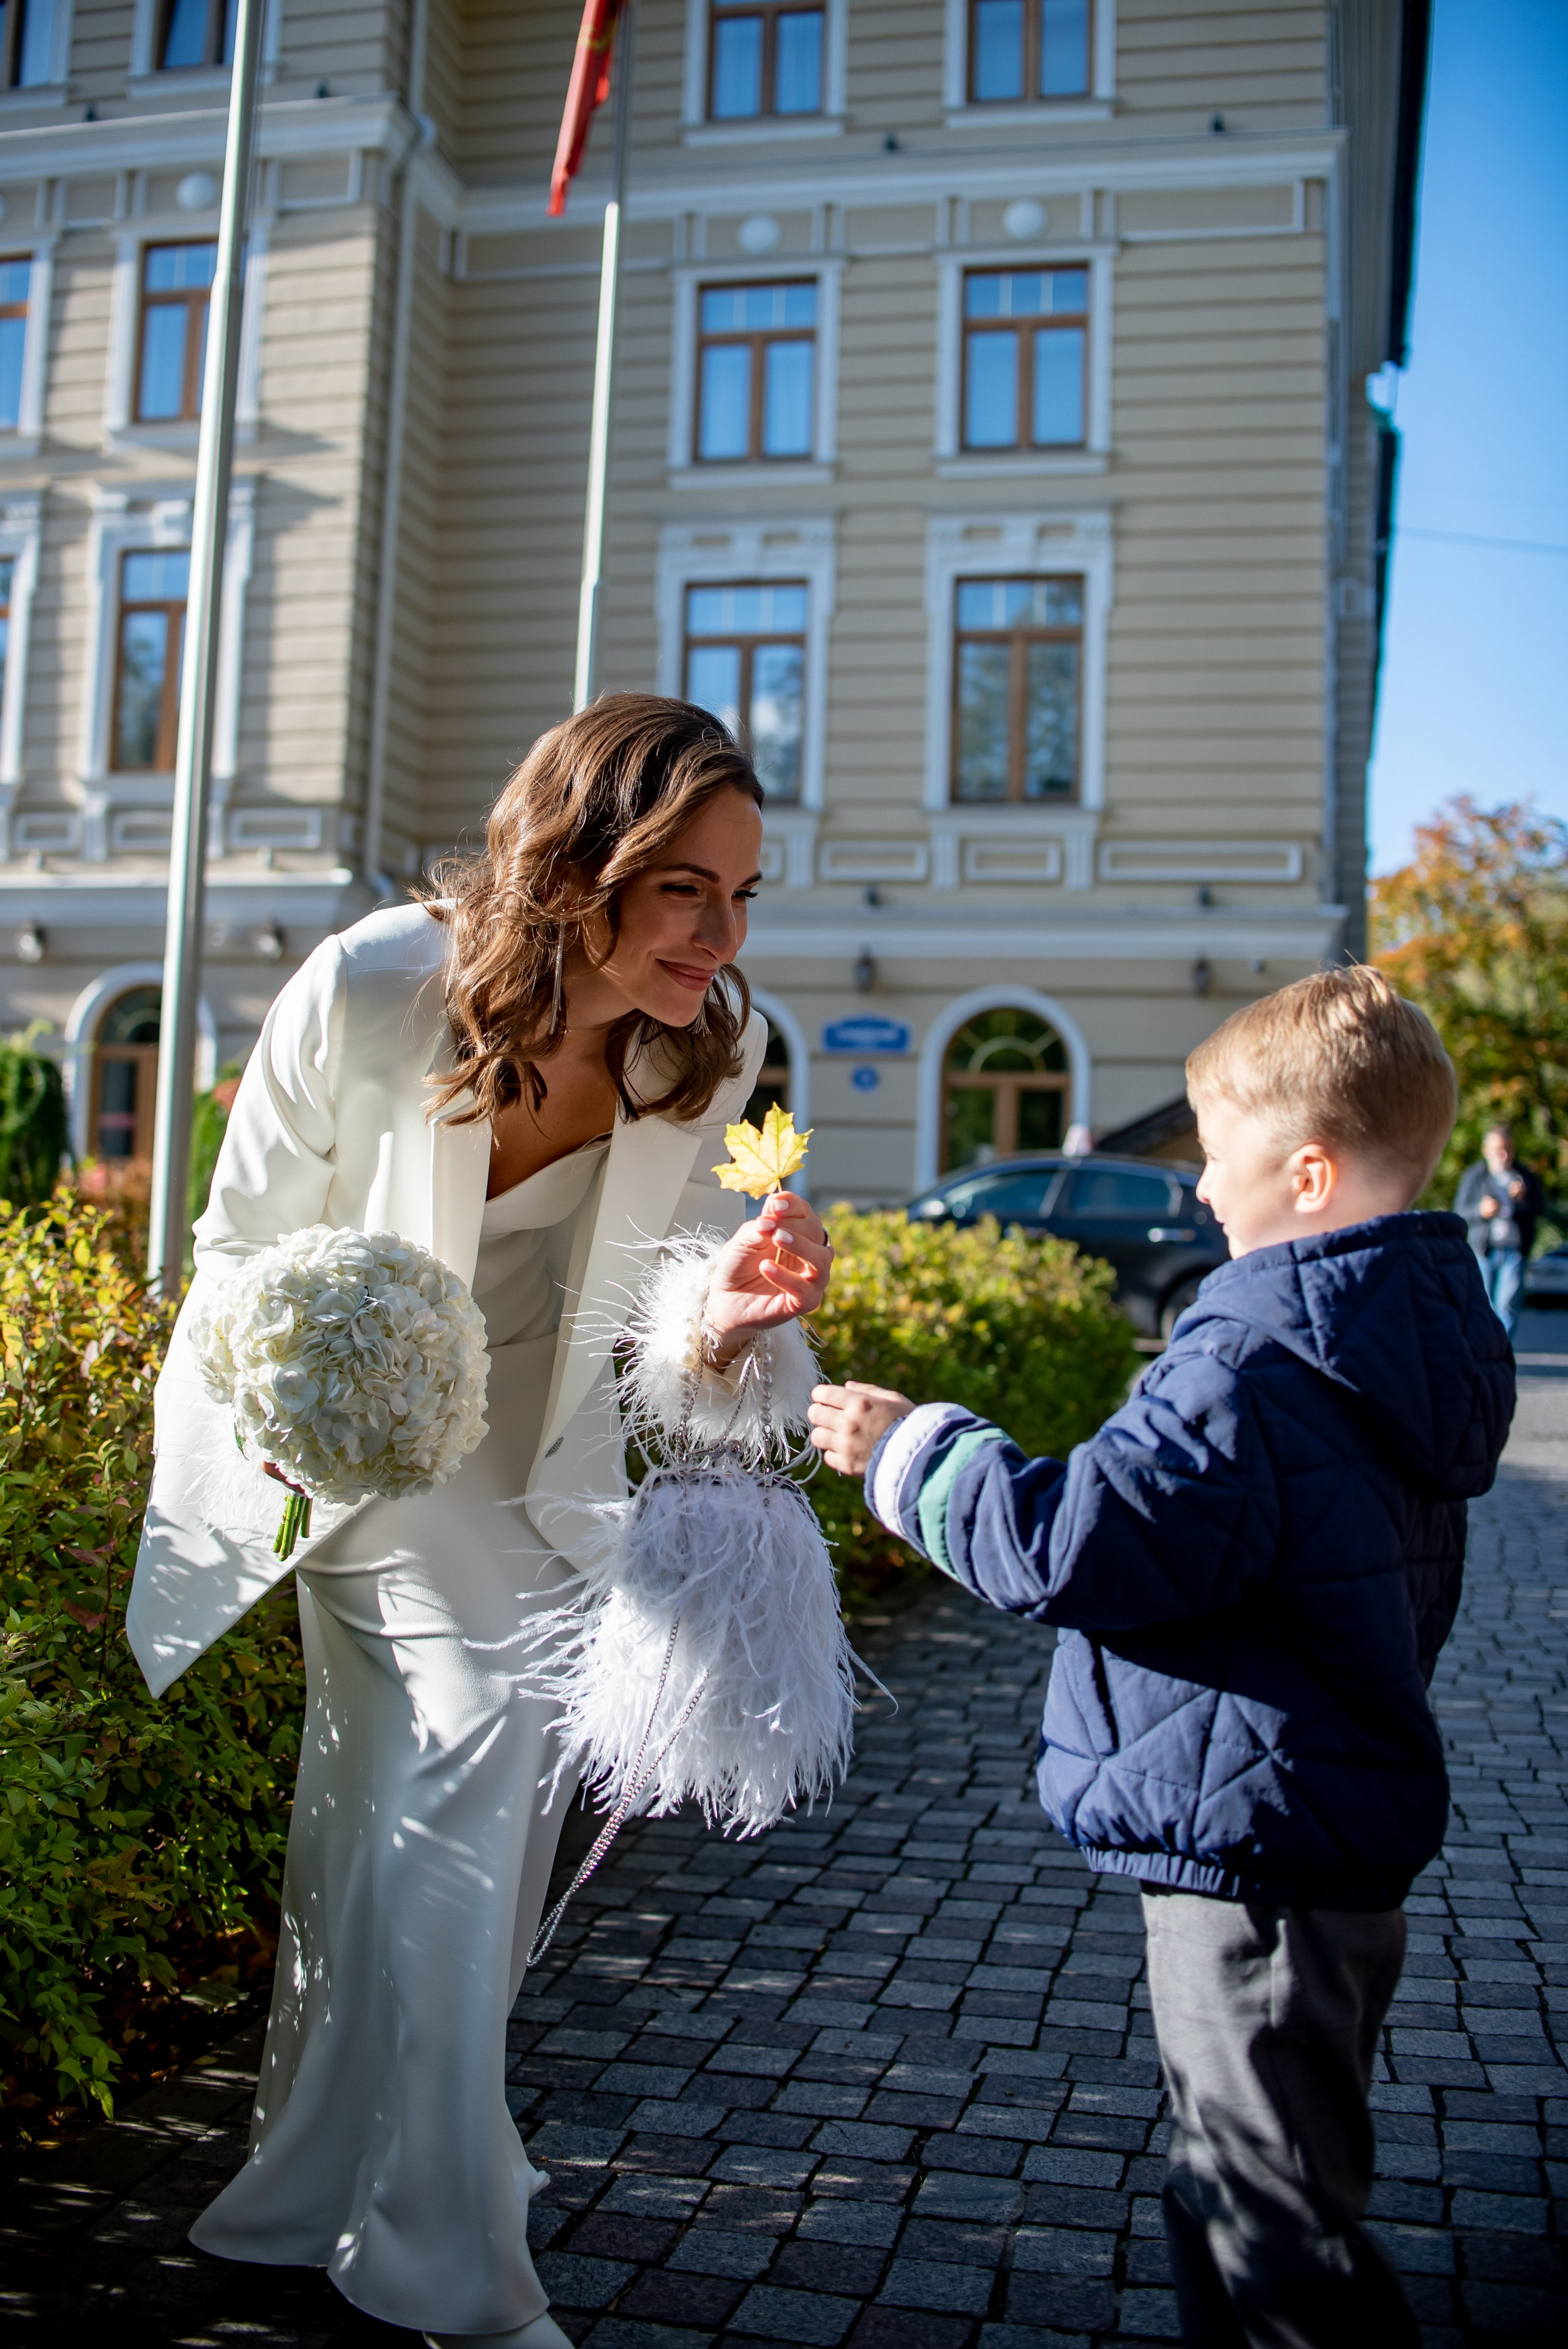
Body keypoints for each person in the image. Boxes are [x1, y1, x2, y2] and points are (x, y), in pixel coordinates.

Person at [127, 697, 832, 2349]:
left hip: (547, 1478)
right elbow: (238, 1253)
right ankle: (448, 2256)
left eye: (746, 897)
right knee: (466, 1770)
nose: (723, 938)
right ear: (588, 860)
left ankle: (312, 2190)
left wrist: (728, 1320)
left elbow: (653, 1343)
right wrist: (306, 1399)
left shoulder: (687, 1049)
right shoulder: (377, 986)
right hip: (357, 1463)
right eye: (689, 892)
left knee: (430, 1842)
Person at [809, 967, 1515, 2349]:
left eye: (1212, 1158)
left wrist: (906, 1449)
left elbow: (1071, 1545)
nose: (1194, 1190)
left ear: (1305, 1173)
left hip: (1254, 1857)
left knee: (1268, 2216)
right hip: (1320, 1830)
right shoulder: (1406, 1342)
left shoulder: (1249, 1366)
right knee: (1254, 2170)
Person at [1455, 1122, 1545, 1338]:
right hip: (1484, 1250)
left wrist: (1523, 1199)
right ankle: (1484, 1355)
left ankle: (1501, 1356)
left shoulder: (1524, 1176)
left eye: (1508, 1150)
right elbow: (1459, 1211)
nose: (1503, 1155)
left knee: (1507, 1307)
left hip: (1514, 1251)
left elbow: (1541, 1208)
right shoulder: (1475, 1176)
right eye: (1498, 1150)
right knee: (1482, 1306)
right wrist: (1481, 1210)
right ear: (1487, 1150)